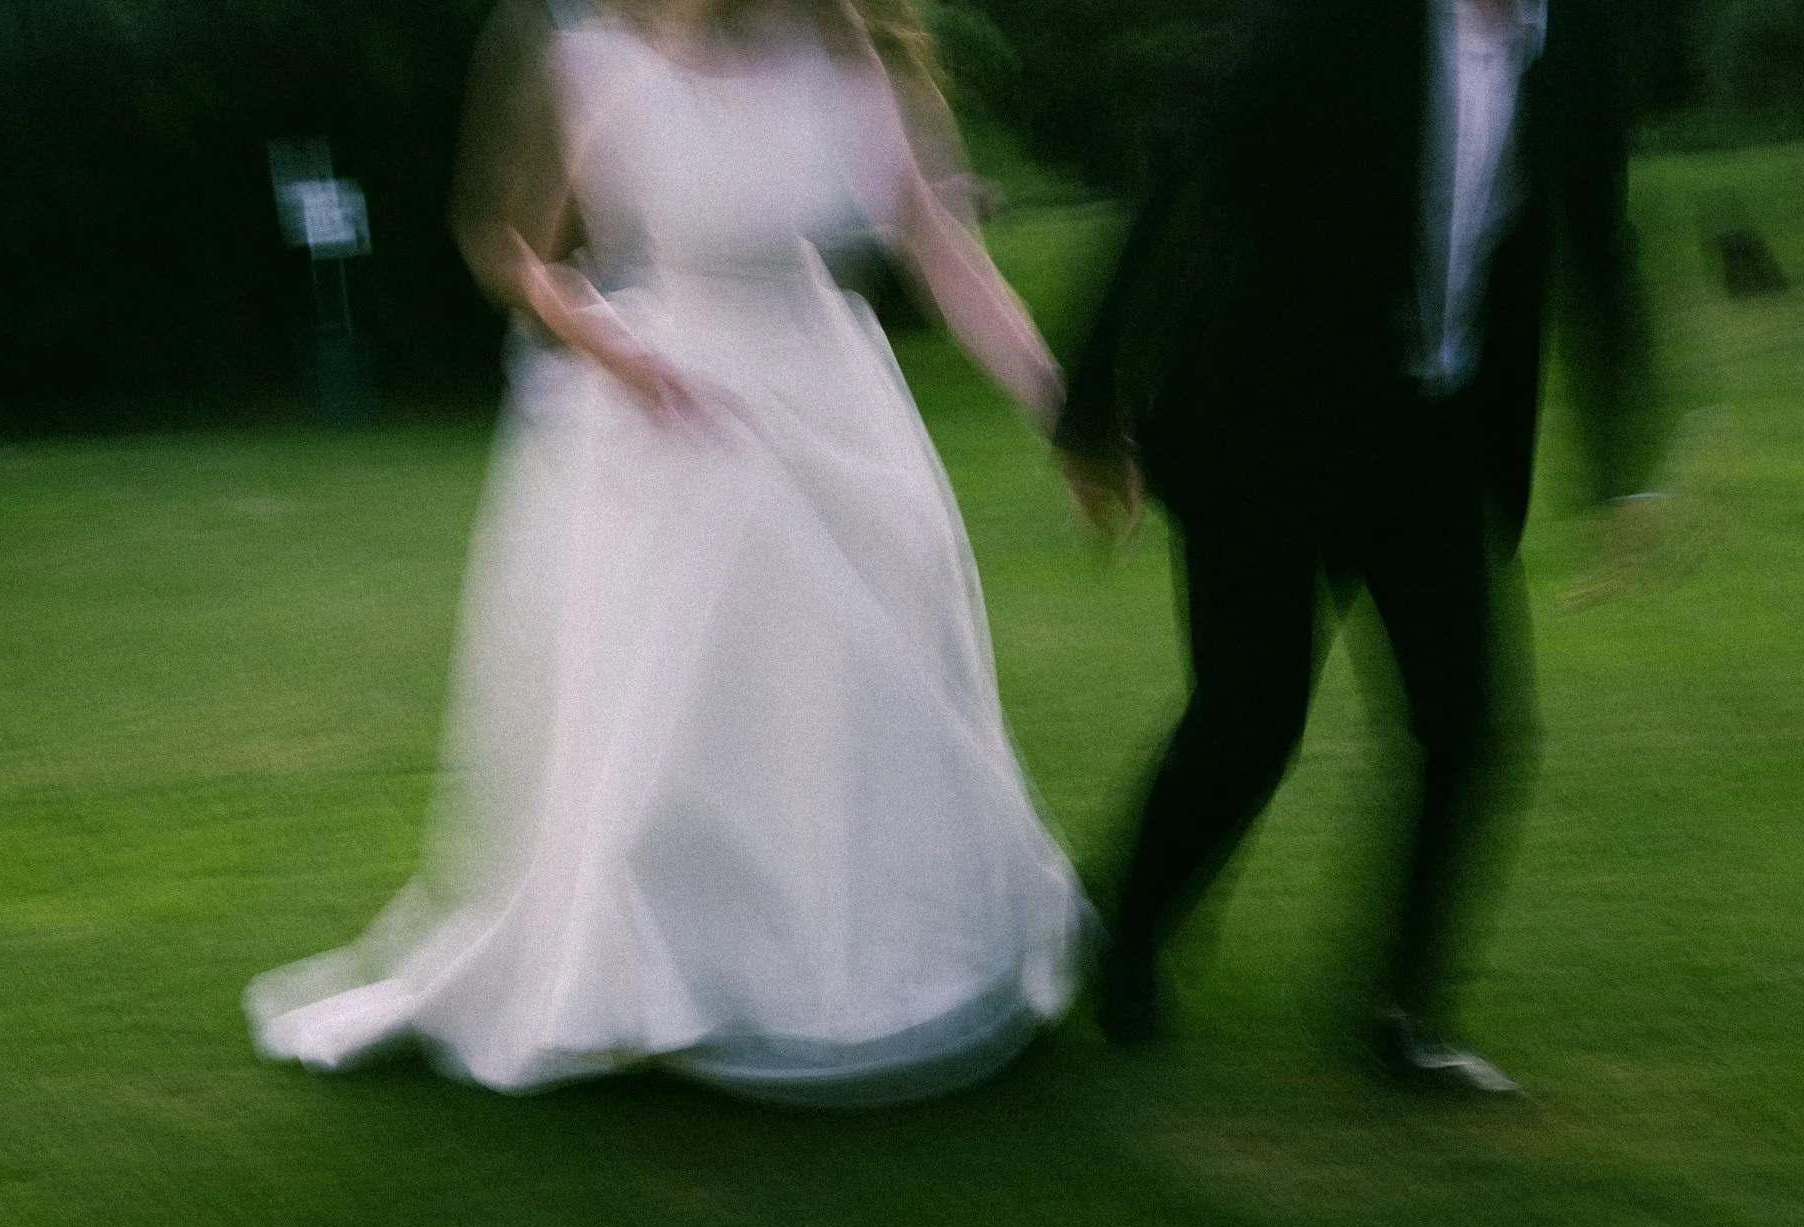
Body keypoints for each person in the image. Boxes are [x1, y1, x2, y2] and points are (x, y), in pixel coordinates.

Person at [246, 0, 1084, 1105]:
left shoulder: (843, 62)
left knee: (845, 698)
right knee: (680, 724)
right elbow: (507, 247)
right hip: (672, 425)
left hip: (834, 406)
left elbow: (943, 253)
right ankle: (668, 976)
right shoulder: (585, 61)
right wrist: (607, 340)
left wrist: (1068, 411)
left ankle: (841, 969)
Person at [1056, 0, 1666, 1093]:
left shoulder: (1568, 45)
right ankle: (1126, 929)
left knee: (1469, 722)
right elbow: (1189, 176)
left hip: (1427, 438)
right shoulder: (1336, 25)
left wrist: (1624, 462)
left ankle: (1400, 1011)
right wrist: (1092, 406)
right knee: (1249, 723)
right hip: (1263, 427)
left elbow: (1597, 237)